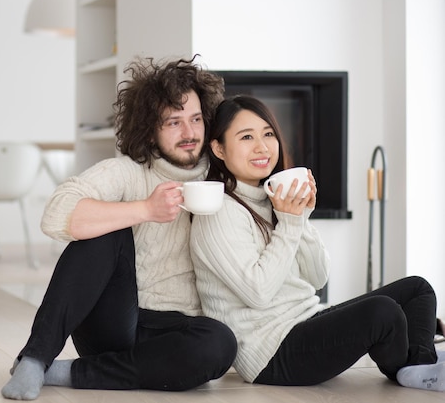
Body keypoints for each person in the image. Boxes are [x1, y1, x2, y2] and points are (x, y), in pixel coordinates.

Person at [1, 56, 237, 400]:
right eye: (173, 122)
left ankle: (65, 373)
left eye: (196, 119)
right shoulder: (128, 172)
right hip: (115, 321)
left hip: (176, 331)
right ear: (150, 129)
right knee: (104, 228)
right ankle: (36, 358)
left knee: (220, 343)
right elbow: (54, 215)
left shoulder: (219, 176)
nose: (189, 133)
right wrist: (144, 209)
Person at [189, 94, 444, 391]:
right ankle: (415, 367)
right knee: (383, 312)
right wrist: (291, 222)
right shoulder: (218, 212)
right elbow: (258, 292)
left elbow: (318, 276)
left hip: (306, 321)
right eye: (246, 137)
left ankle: (421, 367)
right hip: (272, 353)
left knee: (418, 289)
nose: (262, 147)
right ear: (218, 148)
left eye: (268, 134)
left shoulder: (272, 199)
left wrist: (301, 217)